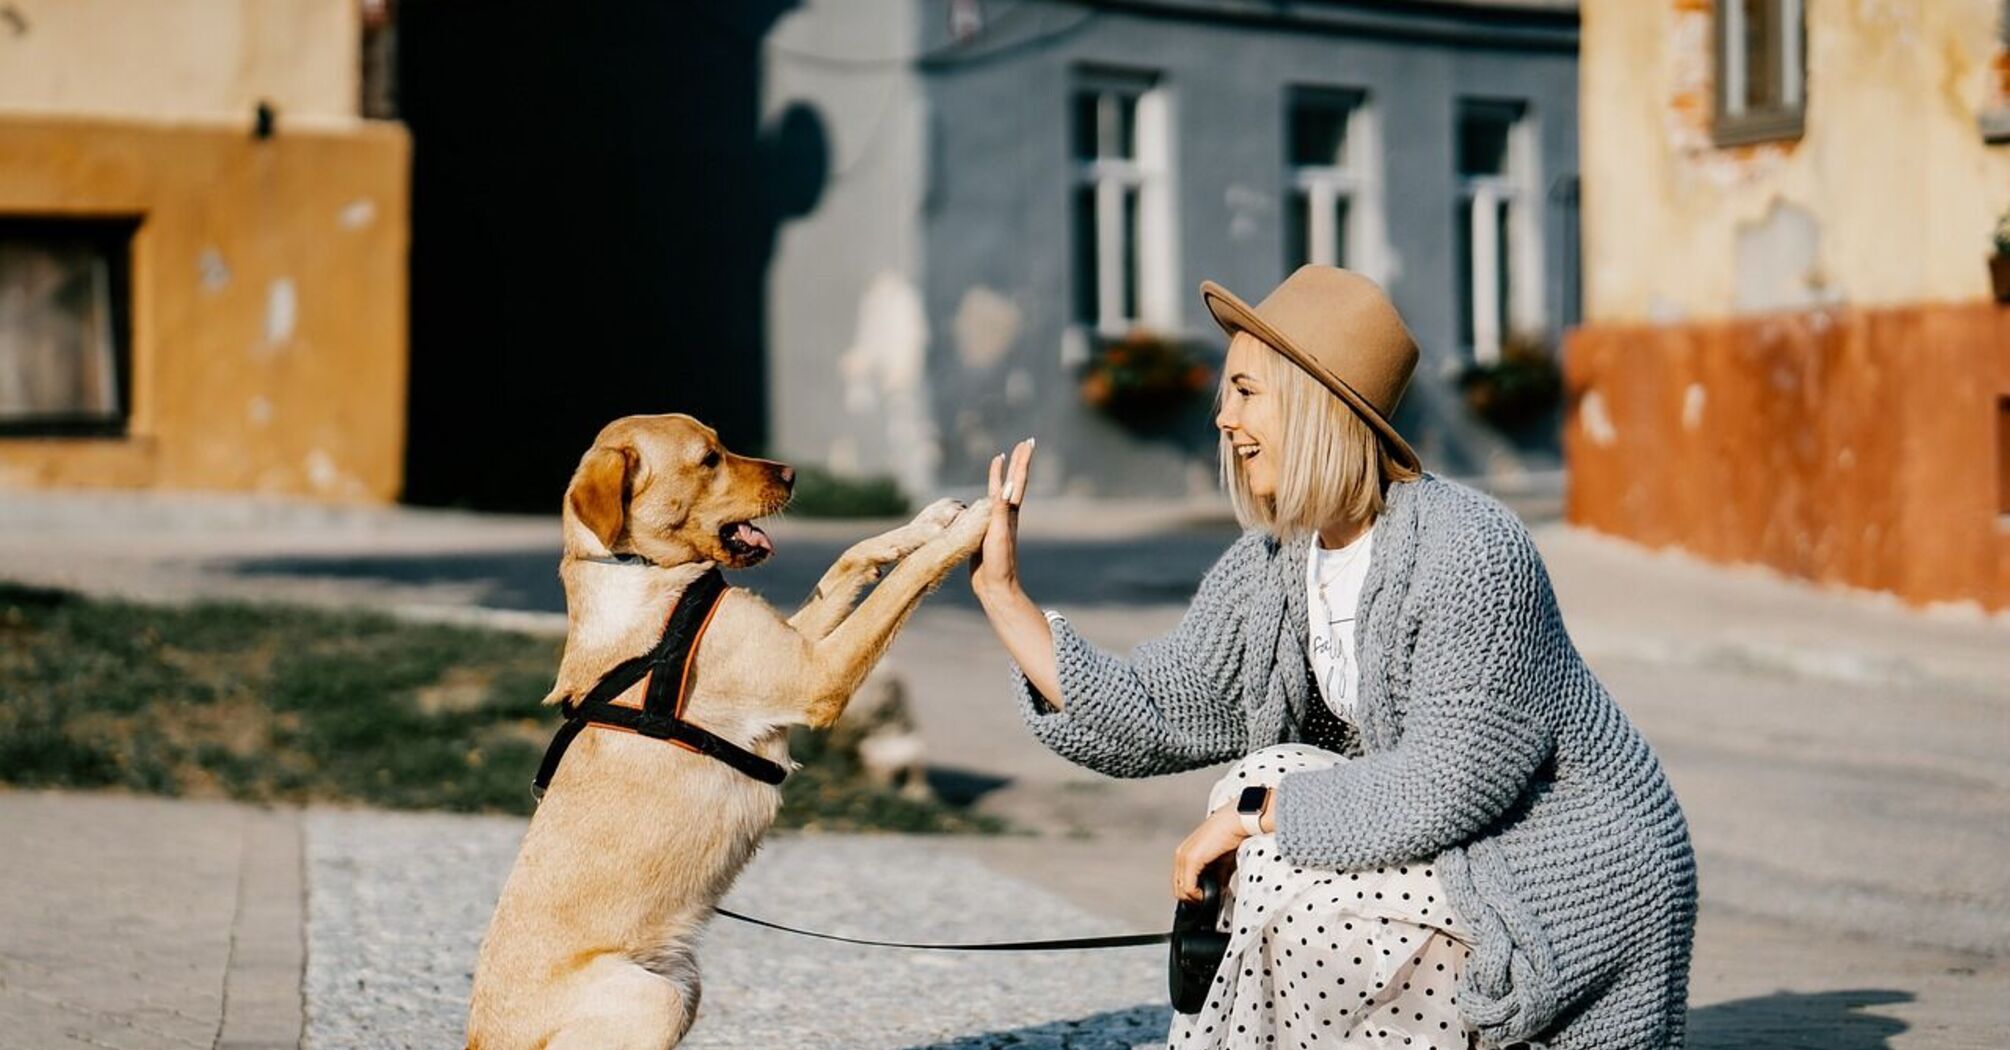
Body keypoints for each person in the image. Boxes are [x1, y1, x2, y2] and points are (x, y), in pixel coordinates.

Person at [967, 266, 1696, 1050]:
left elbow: (1446, 783)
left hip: (1564, 871)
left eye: (1245, 392)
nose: (1222, 417)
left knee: (1273, 848)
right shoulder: (1279, 561)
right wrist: (1006, 595)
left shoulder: (1472, 549)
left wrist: (1253, 822)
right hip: (1455, 853)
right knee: (1258, 784)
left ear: (1317, 401)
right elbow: (1157, 708)